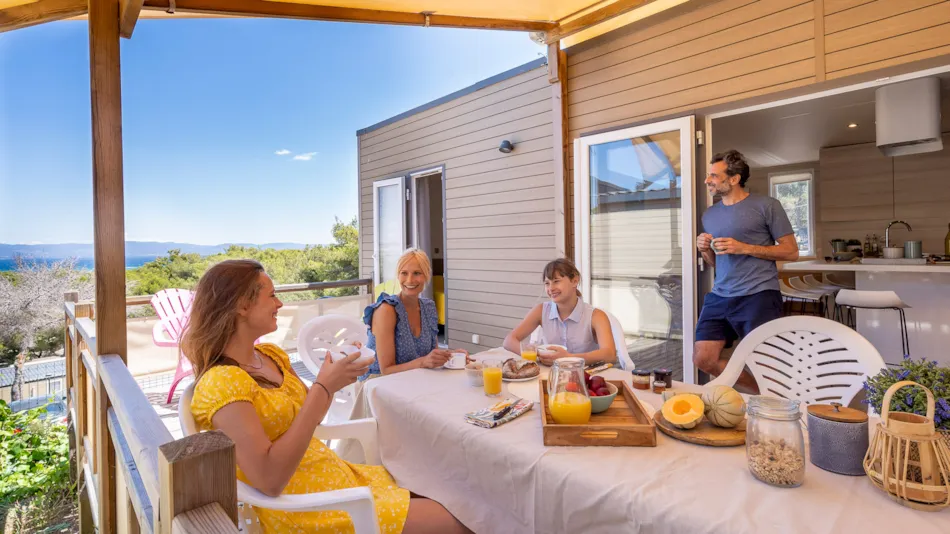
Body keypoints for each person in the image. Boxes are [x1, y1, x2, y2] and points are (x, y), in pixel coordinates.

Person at [183, 259, 469, 534]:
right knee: (462, 522)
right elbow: (269, 480)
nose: (279, 304)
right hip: (311, 508)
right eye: (271, 296)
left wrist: (335, 376)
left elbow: (313, 416)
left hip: (334, 475)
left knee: (456, 495)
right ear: (242, 306)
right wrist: (323, 387)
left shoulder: (270, 356)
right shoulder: (223, 383)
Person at [695, 150, 799, 392]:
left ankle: (774, 398)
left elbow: (791, 251)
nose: (707, 180)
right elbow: (716, 264)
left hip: (758, 294)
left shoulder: (767, 206)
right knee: (703, 359)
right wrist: (704, 250)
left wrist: (744, 247)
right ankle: (763, 393)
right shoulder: (709, 215)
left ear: (734, 179)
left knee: (766, 363)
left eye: (713, 175)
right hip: (720, 295)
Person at [362, 249, 467, 379]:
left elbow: (431, 353)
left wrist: (451, 354)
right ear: (398, 276)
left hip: (414, 377)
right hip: (377, 382)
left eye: (417, 273)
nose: (410, 280)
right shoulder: (387, 309)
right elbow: (386, 370)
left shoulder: (428, 307)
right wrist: (423, 362)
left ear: (426, 276)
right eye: (404, 273)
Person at [503, 258, 617, 367]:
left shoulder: (596, 316)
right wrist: (537, 354)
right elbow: (509, 341)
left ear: (574, 281)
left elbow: (610, 354)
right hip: (550, 375)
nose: (551, 288)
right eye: (547, 283)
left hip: (585, 377)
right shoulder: (541, 310)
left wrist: (569, 358)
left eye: (556, 281)